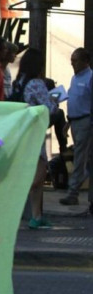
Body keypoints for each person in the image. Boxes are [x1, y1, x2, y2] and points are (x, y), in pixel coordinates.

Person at [12, 48, 58, 228]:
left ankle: (37, 217)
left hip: (21, 132)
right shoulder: (36, 83)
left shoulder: (19, 82)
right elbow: (49, 108)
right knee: (37, 177)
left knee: (36, 179)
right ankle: (18, 211)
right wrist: (54, 100)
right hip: (34, 134)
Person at [60, 48, 92, 207]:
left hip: (86, 121)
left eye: (76, 60)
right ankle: (78, 184)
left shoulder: (90, 77)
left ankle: (73, 192)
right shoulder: (75, 78)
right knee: (83, 156)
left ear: (85, 61)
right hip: (75, 121)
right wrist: (68, 123)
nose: (72, 63)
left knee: (80, 157)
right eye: (72, 60)